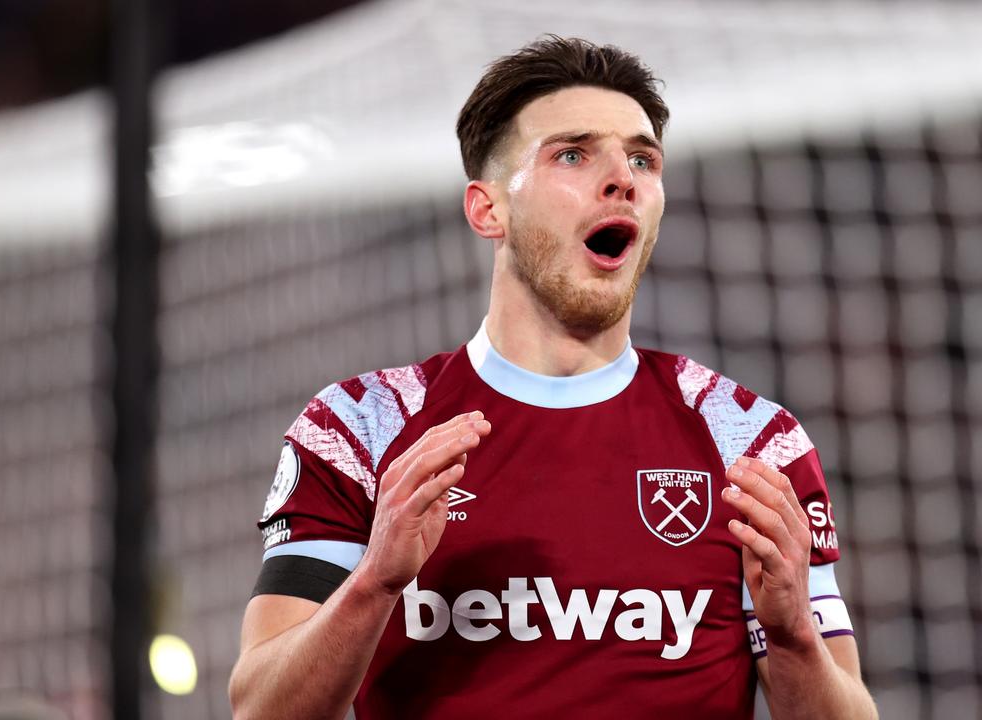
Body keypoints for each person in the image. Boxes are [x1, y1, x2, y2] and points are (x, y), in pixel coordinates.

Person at [229, 35, 877, 720]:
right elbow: (261, 710)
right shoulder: (359, 427)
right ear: (488, 210)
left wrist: (792, 634)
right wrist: (375, 583)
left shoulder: (751, 442)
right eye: (572, 153)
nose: (622, 177)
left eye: (641, 158)